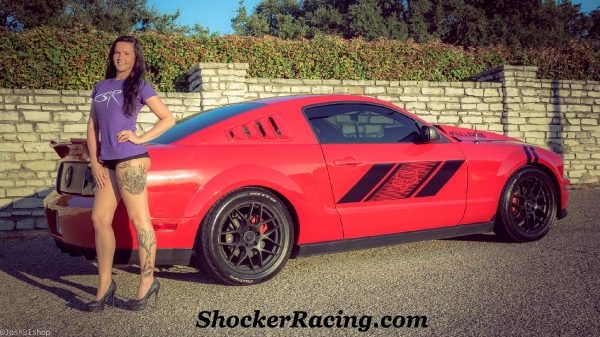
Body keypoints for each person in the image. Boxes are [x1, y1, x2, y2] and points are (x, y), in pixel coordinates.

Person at [85, 35, 175, 312]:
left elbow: (168, 118)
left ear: (135, 58)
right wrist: (95, 162)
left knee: (139, 220)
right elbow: (92, 125)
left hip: (130, 159)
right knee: (99, 218)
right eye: (116, 53)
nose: (120, 57)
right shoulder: (101, 86)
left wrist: (140, 138)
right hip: (107, 161)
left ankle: (147, 283)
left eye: (126, 53)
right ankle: (105, 285)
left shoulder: (140, 86)